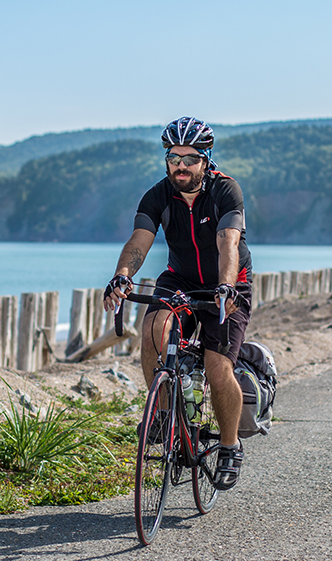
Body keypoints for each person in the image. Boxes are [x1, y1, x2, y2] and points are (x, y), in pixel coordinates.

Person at [103, 116, 253, 491]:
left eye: (190, 158)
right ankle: (164, 413)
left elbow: (228, 244)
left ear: (206, 160)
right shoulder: (157, 195)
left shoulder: (225, 192)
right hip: (181, 279)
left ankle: (231, 447)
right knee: (154, 329)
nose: (181, 166)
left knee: (218, 368)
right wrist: (122, 274)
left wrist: (225, 287)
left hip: (227, 283)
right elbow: (139, 241)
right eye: (174, 157)